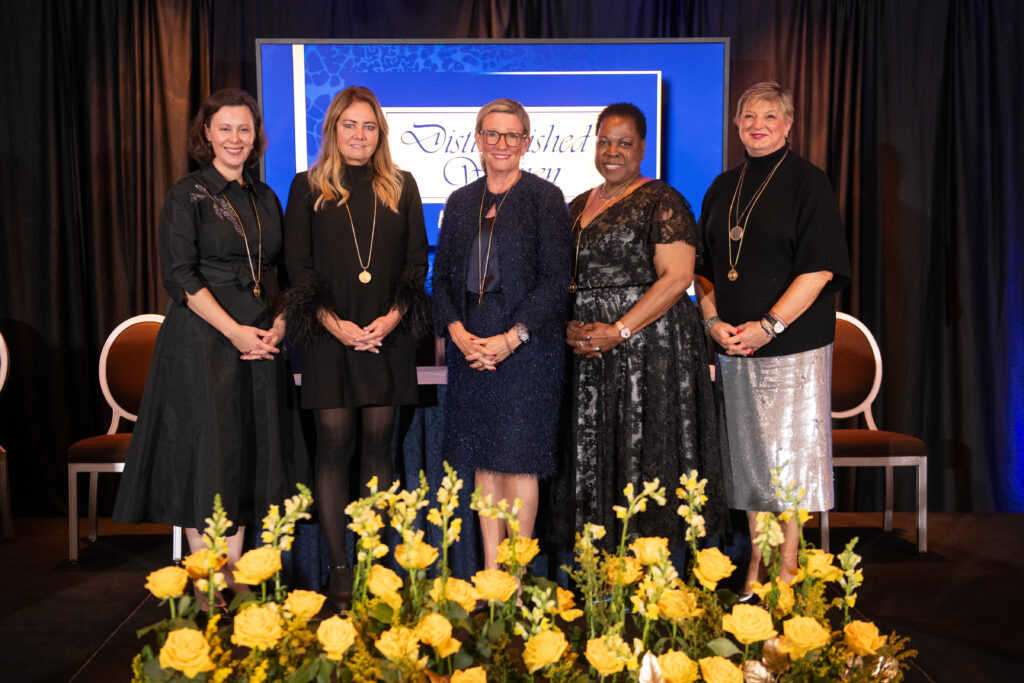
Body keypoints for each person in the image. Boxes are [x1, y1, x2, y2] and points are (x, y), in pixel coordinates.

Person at [114, 88, 305, 599]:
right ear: (206, 135)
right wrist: (236, 331)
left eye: (244, 129)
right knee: (210, 460)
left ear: (256, 137)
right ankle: (206, 584)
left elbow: (282, 273)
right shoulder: (188, 193)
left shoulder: (266, 197)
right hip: (206, 343)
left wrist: (280, 324)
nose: (235, 138)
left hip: (262, 342)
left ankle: (237, 580)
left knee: (246, 459)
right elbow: (180, 277)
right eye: (225, 128)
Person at [694, 82, 851, 598]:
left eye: (769, 115)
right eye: (747, 115)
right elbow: (705, 272)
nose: (756, 123)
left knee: (788, 463)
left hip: (792, 344)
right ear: (737, 124)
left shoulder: (809, 183)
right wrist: (715, 323)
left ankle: (786, 571)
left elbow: (819, 270)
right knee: (749, 464)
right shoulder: (721, 187)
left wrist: (769, 326)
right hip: (735, 346)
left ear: (788, 125)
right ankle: (755, 569)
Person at [551, 102, 724, 548]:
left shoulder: (662, 200)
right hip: (590, 356)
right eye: (605, 141)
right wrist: (570, 324)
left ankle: (646, 574)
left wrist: (620, 330)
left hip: (645, 354)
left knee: (640, 455)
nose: (613, 151)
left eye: (624, 143)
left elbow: (679, 277)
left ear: (642, 147)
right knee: (595, 455)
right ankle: (597, 573)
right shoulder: (575, 204)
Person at [283, 86, 429, 611]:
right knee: (333, 447)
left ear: (380, 133)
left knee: (377, 449)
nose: (360, 135)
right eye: (350, 125)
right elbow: (297, 269)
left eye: (369, 127)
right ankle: (339, 570)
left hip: (386, 339)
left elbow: (416, 266)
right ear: (333, 130)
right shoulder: (306, 188)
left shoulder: (403, 186)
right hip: (328, 337)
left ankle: (372, 560)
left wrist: (390, 321)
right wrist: (336, 324)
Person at [432, 98, 570, 571]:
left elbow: (555, 282)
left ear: (527, 143)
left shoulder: (546, 198)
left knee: (519, 461)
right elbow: (442, 281)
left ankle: (518, 573)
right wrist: (457, 332)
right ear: (477, 138)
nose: (501, 144)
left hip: (527, 352)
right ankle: (492, 574)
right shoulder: (461, 201)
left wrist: (513, 338)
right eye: (492, 134)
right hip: (470, 347)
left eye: (512, 135)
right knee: (484, 462)